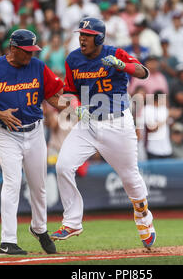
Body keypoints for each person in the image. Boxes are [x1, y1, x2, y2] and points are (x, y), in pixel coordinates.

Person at [51, 17, 156, 249]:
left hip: (117, 123)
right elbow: (69, 92)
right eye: (80, 34)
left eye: (87, 35)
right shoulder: (73, 59)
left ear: (99, 37)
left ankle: (143, 218)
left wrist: (122, 65)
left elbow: (143, 72)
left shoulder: (115, 52)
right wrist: (76, 107)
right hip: (88, 123)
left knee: (130, 177)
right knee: (63, 166)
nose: (81, 38)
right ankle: (72, 222)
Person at [0, 29, 64, 256]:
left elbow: (51, 96)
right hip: (8, 133)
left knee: (38, 186)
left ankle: (39, 228)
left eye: (33, 50)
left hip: (35, 132)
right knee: (12, 184)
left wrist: (73, 106)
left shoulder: (37, 66)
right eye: (26, 51)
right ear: (13, 48)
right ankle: (7, 241)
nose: (31, 55)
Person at [143, 90, 173, 159]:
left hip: (167, 149)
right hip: (153, 149)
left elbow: (170, 124)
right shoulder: (148, 109)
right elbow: (152, 128)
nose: (166, 101)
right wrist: (166, 119)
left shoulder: (164, 109)